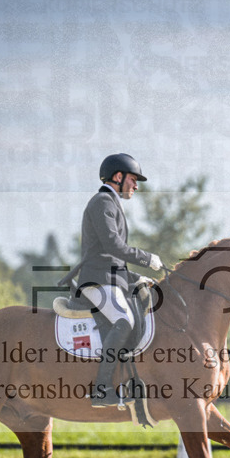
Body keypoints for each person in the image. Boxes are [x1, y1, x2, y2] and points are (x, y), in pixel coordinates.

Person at [78, 153, 164, 407]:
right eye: (133, 180)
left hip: (109, 279)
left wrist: (137, 277)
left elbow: (111, 258)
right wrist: (146, 258)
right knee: (124, 321)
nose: (136, 186)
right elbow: (113, 246)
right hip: (96, 282)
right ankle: (102, 389)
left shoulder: (111, 203)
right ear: (118, 177)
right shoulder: (102, 202)